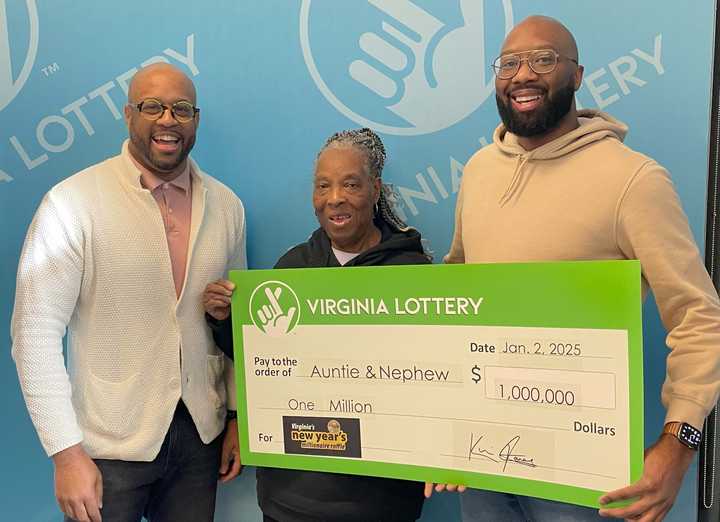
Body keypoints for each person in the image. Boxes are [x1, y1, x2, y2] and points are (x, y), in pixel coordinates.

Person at [441, 15, 720, 522]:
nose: (522, 74)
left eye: (543, 59)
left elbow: (698, 317)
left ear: (576, 74)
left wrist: (680, 443)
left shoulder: (634, 180)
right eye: (508, 63)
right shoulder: (478, 173)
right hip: (481, 458)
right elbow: (458, 294)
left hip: (580, 471)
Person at [11, 63, 246, 522]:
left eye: (181, 109)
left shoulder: (226, 205)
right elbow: (34, 333)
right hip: (106, 447)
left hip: (201, 438)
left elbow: (237, 323)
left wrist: (237, 417)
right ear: (127, 115)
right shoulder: (72, 202)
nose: (167, 120)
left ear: (195, 119)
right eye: (152, 106)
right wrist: (64, 453)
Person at [203, 128, 429, 522]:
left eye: (350, 184)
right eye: (323, 186)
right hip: (291, 499)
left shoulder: (412, 272)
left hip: (381, 502)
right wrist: (223, 321)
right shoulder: (292, 269)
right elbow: (261, 363)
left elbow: (437, 380)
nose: (335, 198)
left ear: (375, 189)